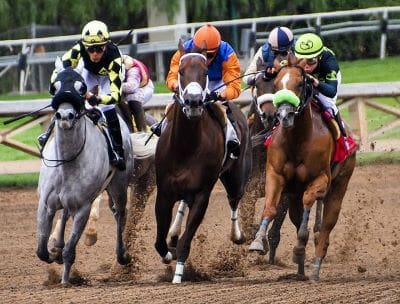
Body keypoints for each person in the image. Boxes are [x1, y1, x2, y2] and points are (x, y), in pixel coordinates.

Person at [38, 20, 126, 170]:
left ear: (106, 45)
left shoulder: (115, 58)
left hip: (107, 77)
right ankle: (48, 133)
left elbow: (115, 96)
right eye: (90, 49)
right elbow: (59, 70)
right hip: (90, 73)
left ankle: (118, 152)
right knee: (68, 100)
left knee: (108, 107)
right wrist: (55, 87)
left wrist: (97, 98)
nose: (95, 54)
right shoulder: (78, 48)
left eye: (99, 49)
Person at [154, 24, 242, 158]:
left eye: (211, 55)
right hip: (192, 81)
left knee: (222, 108)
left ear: (218, 49)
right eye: (205, 54)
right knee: (171, 105)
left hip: (216, 82)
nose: (207, 59)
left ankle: (231, 138)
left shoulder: (227, 53)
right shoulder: (183, 50)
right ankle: (162, 130)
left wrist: (219, 94)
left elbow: (234, 85)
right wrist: (177, 87)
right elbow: (172, 76)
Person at [294, 32, 349, 146]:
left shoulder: (329, 63)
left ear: (319, 56)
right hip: (305, 77)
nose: (306, 66)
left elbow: (331, 91)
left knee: (328, 104)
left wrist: (316, 82)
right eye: (302, 60)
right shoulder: (294, 56)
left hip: (324, 79)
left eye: (311, 60)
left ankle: (343, 138)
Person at [242, 26, 294, 114]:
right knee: (251, 118)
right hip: (269, 91)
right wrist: (262, 76)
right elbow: (246, 77)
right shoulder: (263, 52)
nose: (280, 56)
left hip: (291, 91)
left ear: (290, 46)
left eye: (283, 52)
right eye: (276, 52)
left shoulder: (298, 51)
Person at [121, 54, 155, 133]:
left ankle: (142, 130)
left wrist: (113, 86)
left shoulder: (133, 70)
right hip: (125, 90)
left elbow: (131, 87)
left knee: (132, 98)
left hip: (142, 88)